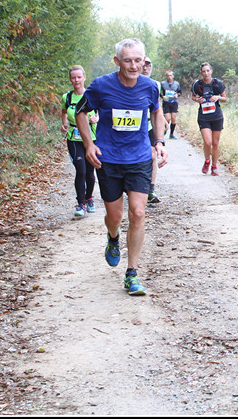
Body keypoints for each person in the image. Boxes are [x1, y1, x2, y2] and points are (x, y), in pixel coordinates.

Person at [74, 38, 167, 296]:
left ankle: (132, 274)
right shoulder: (101, 86)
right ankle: (113, 237)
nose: (134, 66)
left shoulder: (150, 87)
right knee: (114, 217)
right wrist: (89, 145)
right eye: (128, 61)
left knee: (138, 213)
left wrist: (159, 142)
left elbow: (156, 112)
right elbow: (80, 112)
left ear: (144, 61)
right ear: (117, 61)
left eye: (138, 60)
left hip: (139, 159)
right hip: (109, 160)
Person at [60, 65, 99, 220]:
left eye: (79, 77)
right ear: (70, 79)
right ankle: (81, 203)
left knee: (90, 171)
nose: (76, 80)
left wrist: (96, 119)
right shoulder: (67, 97)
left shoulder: (92, 95)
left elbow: (103, 113)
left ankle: (89, 198)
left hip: (91, 138)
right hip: (74, 139)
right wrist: (64, 123)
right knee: (81, 170)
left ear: (84, 78)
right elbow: (64, 111)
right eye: (73, 77)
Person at [191, 62, 227, 175]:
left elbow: (225, 98)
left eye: (207, 70)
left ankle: (214, 166)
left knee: (215, 143)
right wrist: (197, 100)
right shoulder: (198, 84)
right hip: (204, 116)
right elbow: (193, 96)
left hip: (216, 116)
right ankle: (207, 161)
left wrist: (218, 97)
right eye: (203, 71)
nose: (206, 73)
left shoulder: (217, 83)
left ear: (211, 71)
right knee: (208, 142)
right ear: (201, 73)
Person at [141, 58, 162, 204]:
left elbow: (157, 106)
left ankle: (151, 189)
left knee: (152, 156)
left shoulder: (156, 84)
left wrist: (162, 120)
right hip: (136, 127)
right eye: (144, 65)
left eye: (148, 65)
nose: (145, 68)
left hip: (150, 125)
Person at [160, 69, 182, 139]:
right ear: (166, 76)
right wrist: (162, 96)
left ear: (173, 76)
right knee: (167, 118)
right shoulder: (163, 84)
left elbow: (180, 92)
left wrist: (177, 95)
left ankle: (171, 134)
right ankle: (164, 130)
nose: (169, 77)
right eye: (168, 76)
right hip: (166, 103)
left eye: (171, 75)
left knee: (173, 118)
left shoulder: (177, 84)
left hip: (174, 102)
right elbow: (158, 92)